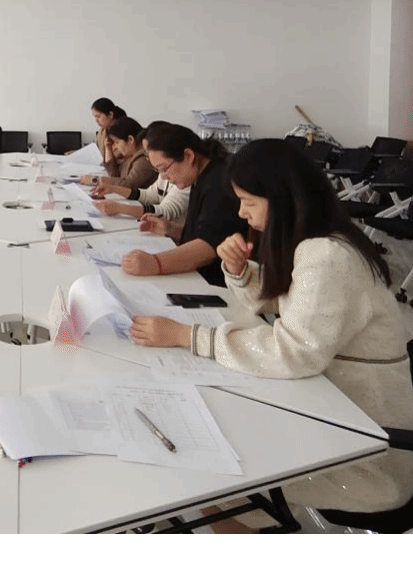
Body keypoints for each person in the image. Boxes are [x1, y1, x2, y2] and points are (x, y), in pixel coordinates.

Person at [130, 139, 413, 517]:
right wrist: (240, 272)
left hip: (366, 453)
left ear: (282, 198)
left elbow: (294, 351)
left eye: (248, 202)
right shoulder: (319, 241)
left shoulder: (328, 255)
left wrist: (186, 336)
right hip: (333, 413)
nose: (242, 213)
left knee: (214, 477)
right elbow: (291, 301)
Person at [120, 123, 243, 287]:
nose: (164, 177)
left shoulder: (219, 182)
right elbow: (209, 232)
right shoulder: (201, 174)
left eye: (164, 169)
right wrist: (171, 230)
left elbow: (208, 248)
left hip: (216, 285)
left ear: (188, 156)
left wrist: (156, 263)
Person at [90, 122, 190, 224]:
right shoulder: (164, 171)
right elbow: (149, 195)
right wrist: (112, 189)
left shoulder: (184, 179)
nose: (147, 156)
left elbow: (165, 211)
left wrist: (120, 208)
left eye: (148, 151)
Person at [80, 117, 156, 190]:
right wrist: (108, 149)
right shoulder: (129, 155)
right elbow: (114, 176)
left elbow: (128, 185)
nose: (116, 146)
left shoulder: (144, 159)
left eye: (117, 142)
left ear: (130, 139)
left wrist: (95, 180)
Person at [88, 97, 126, 178]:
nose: (96, 121)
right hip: (103, 172)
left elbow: (114, 167)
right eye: (95, 117)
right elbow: (96, 153)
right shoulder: (102, 131)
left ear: (110, 115)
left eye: (98, 116)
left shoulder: (123, 135)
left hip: (119, 176)